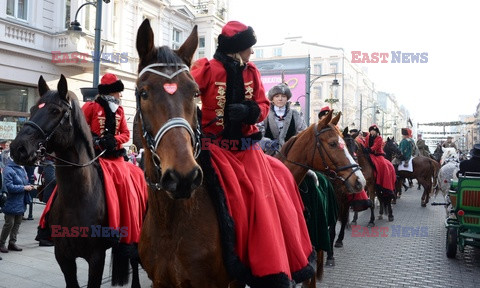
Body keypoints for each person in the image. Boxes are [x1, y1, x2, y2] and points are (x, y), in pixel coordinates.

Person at [191, 21, 314, 286]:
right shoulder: (207, 68)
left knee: (267, 199)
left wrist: (250, 112)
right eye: (249, 48)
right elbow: (186, 91)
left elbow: (262, 103)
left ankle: (269, 264)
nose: (252, 53)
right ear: (237, 48)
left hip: (248, 150)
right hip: (215, 149)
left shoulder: (252, 71)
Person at [36, 73, 147, 247]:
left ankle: (123, 224)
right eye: (118, 92)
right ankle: (48, 223)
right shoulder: (91, 106)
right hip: (92, 155)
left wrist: (114, 140)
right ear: (110, 92)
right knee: (66, 181)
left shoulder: (120, 110)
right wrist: (94, 139)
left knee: (125, 180)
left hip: (114, 157)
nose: (120, 95)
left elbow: (125, 134)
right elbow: (79, 127)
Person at [259, 82, 306, 155]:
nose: (280, 99)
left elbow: (303, 133)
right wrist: (267, 144)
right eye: (277, 96)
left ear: (287, 98)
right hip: (269, 155)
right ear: (272, 99)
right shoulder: (264, 114)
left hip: (290, 155)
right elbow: (258, 134)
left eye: (283, 96)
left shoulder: (296, 114)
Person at [0, 155, 34, 253]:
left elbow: (25, 182)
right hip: (11, 201)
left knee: (17, 222)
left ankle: (12, 243)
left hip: (20, 200)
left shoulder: (21, 169)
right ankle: (1, 243)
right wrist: (24, 188)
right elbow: (8, 187)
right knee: (9, 223)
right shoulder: (8, 170)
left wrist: (29, 186)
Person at [363, 124, 396, 198]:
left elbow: (376, 147)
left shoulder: (379, 138)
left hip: (377, 155)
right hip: (369, 154)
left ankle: (385, 184)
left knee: (384, 165)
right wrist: (364, 149)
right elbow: (365, 144)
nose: (372, 132)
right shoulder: (367, 137)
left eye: (374, 131)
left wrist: (370, 149)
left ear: (377, 132)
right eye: (371, 130)